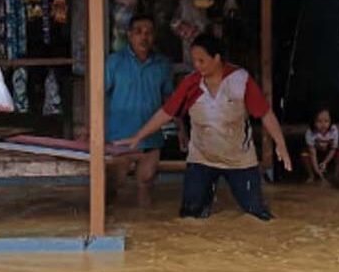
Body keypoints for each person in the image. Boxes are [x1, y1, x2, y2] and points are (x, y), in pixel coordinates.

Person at [116, 33, 292, 221]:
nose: (196, 66)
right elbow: (166, 112)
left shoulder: (240, 80)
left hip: (239, 160)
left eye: (202, 60)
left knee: (258, 216)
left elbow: (265, 113)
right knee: (190, 218)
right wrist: (138, 136)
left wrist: (280, 144)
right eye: (194, 61)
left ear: (217, 58)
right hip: (202, 159)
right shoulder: (190, 83)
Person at [103, 15, 174, 207]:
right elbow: (98, 95)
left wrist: (180, 128)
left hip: (151, 139)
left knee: (146, 185)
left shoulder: (163, 65)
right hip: (118, 138)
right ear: (129, 35)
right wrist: (90, 129)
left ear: (154, 37)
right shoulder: (114, 62)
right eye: (138, 32)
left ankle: (144, 229)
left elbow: (170, 101)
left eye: (149, 33)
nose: (144, 37)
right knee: (113, 188)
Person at [301, 108, 339, 187]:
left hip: (329, 154)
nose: (323, 124)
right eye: (319, 121)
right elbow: (312, 153)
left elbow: (333, 149)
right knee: (304, 154)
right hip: (316, 154)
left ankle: (336, 175)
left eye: (326, 121)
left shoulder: (334, 130)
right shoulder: (310, 133)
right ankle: (311, 175)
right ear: (314, 122)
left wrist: (325, 162)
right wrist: (317, 170)